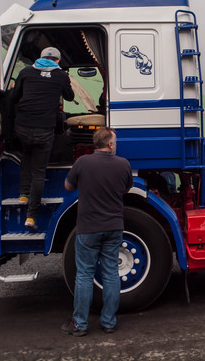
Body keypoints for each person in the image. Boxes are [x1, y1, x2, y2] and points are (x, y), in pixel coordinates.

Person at [61, 127, 133, 337]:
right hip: (113, 227)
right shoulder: (123, 164)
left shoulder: (83, 162)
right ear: (110, 144)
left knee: (84, 274)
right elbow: (126, 189)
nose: (116, 144)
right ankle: (109, 322)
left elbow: (67, 185)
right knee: (111, 273)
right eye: (115, 141)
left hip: (88, 228)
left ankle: (80, 325)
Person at [11, 47, 75, 230]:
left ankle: (23, 194)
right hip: (44, 129)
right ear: (57, 61)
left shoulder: (25, 72)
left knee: (26, 156)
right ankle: (31, 217)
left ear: (40, 59)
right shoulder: (61, 75)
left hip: (23, 126)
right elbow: (69, 97)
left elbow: (14, 96)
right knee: (39, 171)